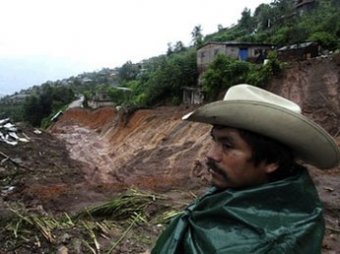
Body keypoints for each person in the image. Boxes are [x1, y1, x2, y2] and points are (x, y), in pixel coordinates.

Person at [151, 84, 340, 254]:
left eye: (227, 145)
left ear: (271, 160)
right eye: (214, 140)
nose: (210, 155)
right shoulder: (239, 193)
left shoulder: (270, 244)